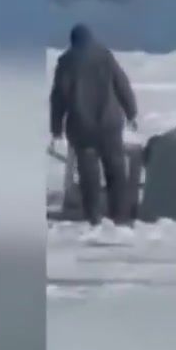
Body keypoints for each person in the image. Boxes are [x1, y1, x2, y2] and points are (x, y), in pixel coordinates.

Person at [50, 23, 139, 226]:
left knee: (89, 174)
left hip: (82, 128)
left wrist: (56, 128)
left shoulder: (66, 62)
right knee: (116, 170)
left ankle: (94, 217)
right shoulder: (105, 56)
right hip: (110, 126)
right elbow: (122, 84)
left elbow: (58, 97)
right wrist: (131, 113)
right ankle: (120, 217)